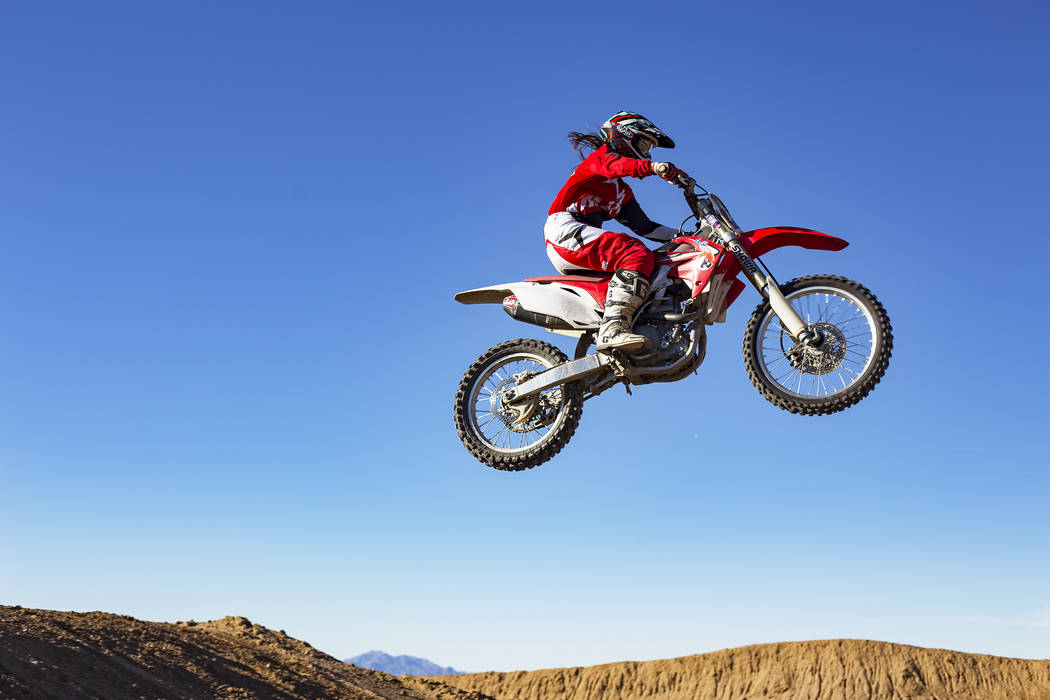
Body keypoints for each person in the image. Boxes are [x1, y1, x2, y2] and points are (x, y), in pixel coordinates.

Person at [545, 111, 690, 352]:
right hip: (565, 229)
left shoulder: (619, 191)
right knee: (634, 252)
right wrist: (654, 167)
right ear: (624, 136)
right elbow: (620, 165)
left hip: (580, 239)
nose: (647, 152)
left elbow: (646, 227)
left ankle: (639, 325)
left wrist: (686, 236)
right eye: (645, 143)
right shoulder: (599, 160)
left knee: (655, 261)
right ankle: (613, 328)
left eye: (650, 149)